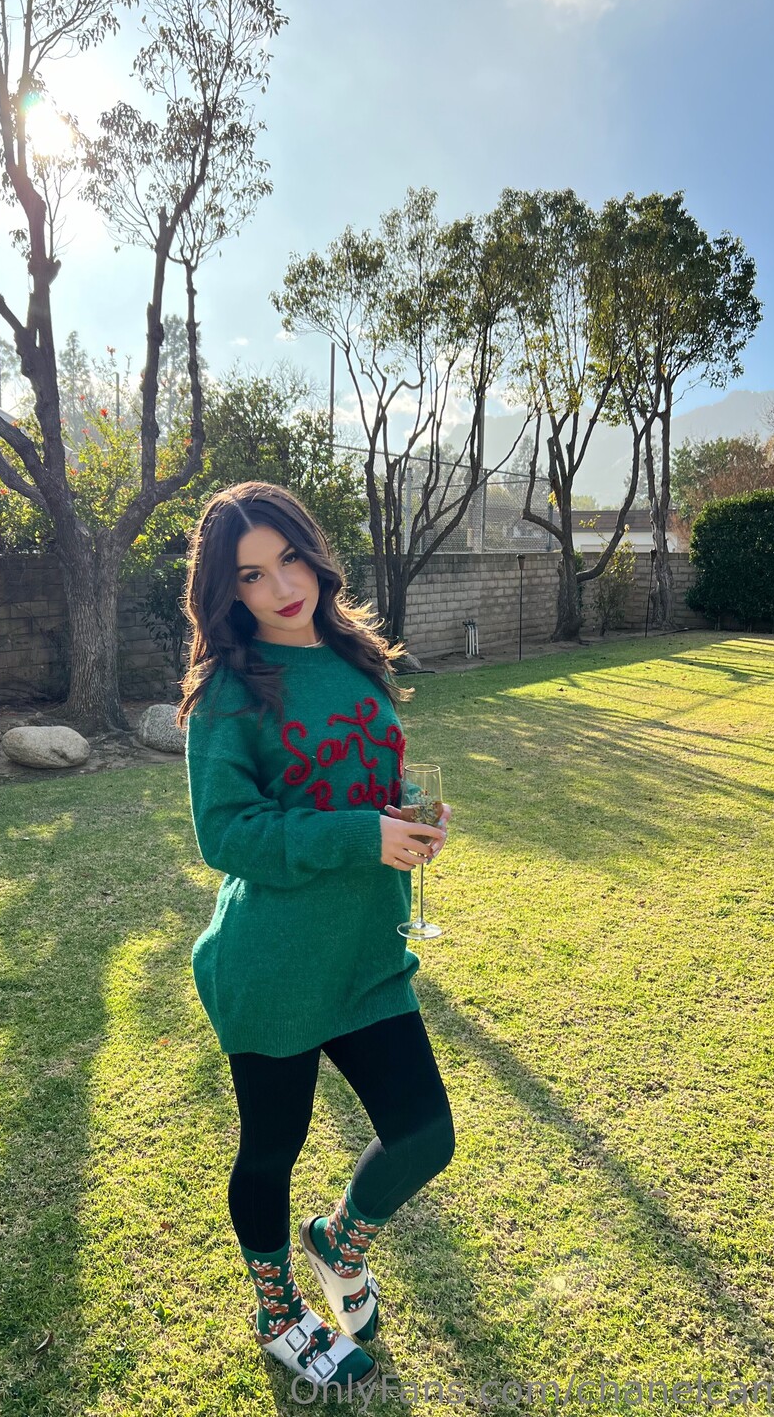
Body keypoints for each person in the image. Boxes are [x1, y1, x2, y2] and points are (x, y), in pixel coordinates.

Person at [177, 481, 456, 1396]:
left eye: (290, 559)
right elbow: (227, 834)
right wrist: (361, 836)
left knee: (425, 1135)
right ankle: (276, 1313)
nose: (282, 587)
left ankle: (340, 1241)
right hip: (275, 965)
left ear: (314, 554)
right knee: (272, 1149)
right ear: (227, 592)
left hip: (367, 953)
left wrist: (406, 820)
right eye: (252, 575)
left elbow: (369, 778)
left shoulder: (356, 654)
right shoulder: (228, 692)